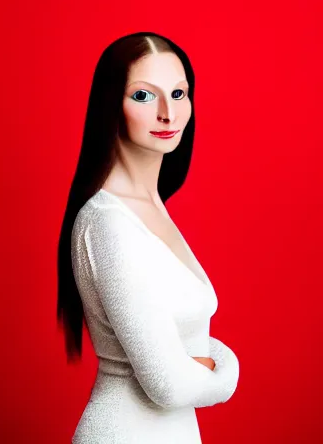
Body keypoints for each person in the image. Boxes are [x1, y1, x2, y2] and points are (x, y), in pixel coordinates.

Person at [56, 32, 240, 442]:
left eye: (178, 93)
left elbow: (179, 352)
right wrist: (227, 372)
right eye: (143, 96)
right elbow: (168, 384)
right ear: (111, 106)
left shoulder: (151, 205)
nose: (167, 113)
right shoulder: (108, 223)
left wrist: (203, 359)